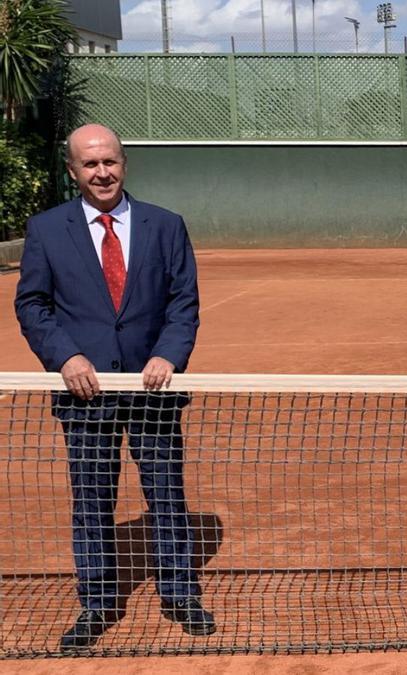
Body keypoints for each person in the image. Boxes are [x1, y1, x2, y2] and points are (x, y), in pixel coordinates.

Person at [14, 124, 215, 650]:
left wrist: (168, 354)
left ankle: (179, 592)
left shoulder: (166, 225)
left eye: (110, 162)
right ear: (72, 171)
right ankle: (98, 602)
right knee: (92, 501)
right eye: (90, 164)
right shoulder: (45, 229)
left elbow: (182, 303)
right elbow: (32, 306)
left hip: (154, 390)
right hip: (84, 392)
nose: (101, 172)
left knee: (167, 496)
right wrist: (66, 356)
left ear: (124, 164)